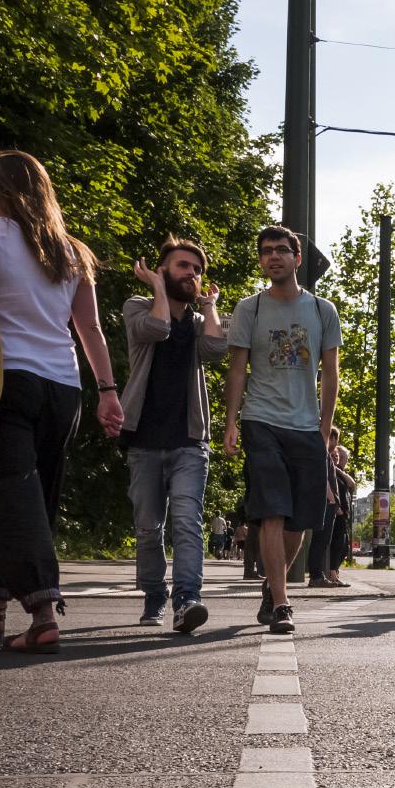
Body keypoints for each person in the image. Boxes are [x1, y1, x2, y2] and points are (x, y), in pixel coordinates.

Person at [0, 150, 123, 653]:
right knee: (32, 499)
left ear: (3, 189)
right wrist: (107, 391)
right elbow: (90, 328)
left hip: (5, 380)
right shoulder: (73, 251)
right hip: (63, 388)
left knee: (8, 495)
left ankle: (41, 615)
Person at [224, 225, 341, 634]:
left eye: (281, 250)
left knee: (299, 520)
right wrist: (231, 423)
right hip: (261, 421)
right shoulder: (249, 309)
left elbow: (331, 375)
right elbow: (237, 370)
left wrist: (324, 431)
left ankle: (272, 589)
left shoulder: (322, 310)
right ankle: (283, 602)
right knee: (272, 508)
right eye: (266, 251)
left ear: (297, 258)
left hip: (306, 426)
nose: (273, 257)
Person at [120, 235, 227, 633]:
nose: (192, 274)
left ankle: (187, 600)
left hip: (189, 441)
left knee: (186, 522)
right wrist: (157, 289)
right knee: (149, 528)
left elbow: (217, 351)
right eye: (183, 266)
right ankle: (153, 595)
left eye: (197, 270)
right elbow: (159, 328)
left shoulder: (200, 323)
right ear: (162, 270)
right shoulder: (136, 306)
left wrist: (211, 305)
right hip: (144, 439)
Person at [307, 426, 340, 587]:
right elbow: (323, 476)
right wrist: (331, 498)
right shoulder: (322, 453)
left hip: (328, 502)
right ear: (331, 438)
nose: (336, 444)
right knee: (321, 540)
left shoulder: (323, 453)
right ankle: (316, 575)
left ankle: (317, 574)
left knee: (322, 540)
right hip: (327, 503)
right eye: (336, 439)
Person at [329, 443, 356, 586]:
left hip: (343, 513)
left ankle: (334, 572)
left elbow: (352, 484)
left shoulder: (340, 472)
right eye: (340, 456)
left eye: (342, 456)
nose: (342, 459)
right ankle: (332, 574)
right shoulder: (332, 470)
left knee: (344, 547)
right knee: (337, 544)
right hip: (337, 512)